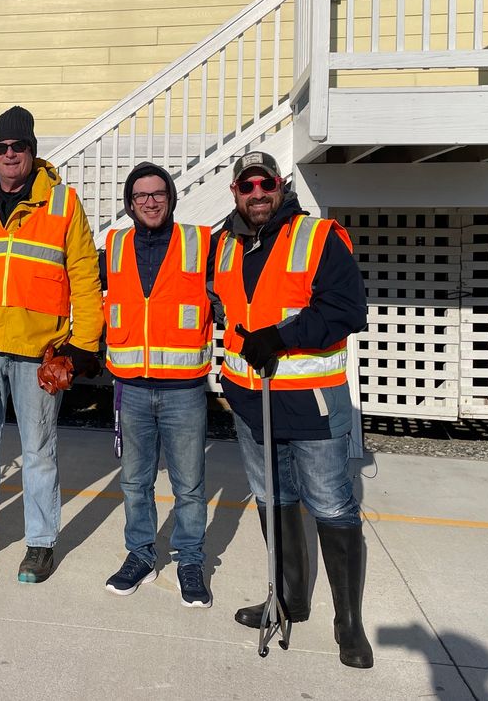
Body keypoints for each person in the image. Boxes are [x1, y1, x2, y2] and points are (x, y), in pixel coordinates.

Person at [209, 150, 372, 668]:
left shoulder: (319, 237)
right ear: (234, 192)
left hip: (313, 404)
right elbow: (219, 305)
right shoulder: (223, 246)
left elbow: (347, 311)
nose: (257, 193)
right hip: (251, 405)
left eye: (265, 183)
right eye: (246, 185)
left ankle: (348, 625)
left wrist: (280, 337)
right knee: (271, 500)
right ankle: (288, 600)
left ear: (279, 186)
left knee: (330, 505)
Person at [0, 105, 102, 584]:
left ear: (33, 152)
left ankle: (40, 543)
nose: (10, 154)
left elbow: (83, 272)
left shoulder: (62, 202)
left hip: (41, 350)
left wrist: (84, 342)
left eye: (18, 147)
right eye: (1, 148)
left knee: (39, 450)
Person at [101, 162, 214, 608]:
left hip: (183, 389)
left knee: (189, 485)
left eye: (158, 194)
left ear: (171, 198)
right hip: (130, 387)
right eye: (141, 196)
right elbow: (89, 295)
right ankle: (141, 555)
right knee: (134, 481)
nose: (150, 202)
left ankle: (189, 560)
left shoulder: (201, 242)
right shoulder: (112, 245)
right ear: (130, 204)